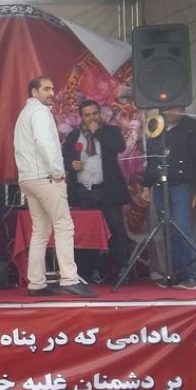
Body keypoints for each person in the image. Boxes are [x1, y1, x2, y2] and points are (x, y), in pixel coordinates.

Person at [13, 77, 95, 298]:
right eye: (46, 89)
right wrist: (58, 172)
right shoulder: (40, 112)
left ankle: (36, 283)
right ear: (34, 92)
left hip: (29, 178)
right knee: (63, 225)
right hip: (45, 177)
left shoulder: (25, 113)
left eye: (52, 88)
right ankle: (69, 279)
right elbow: (45, 143)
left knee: (40, 230)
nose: (51, 92)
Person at [139, 107, 196, 290]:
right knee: (167, 230)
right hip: (159, 185)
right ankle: (174, 274)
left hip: (180, 185)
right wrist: (146, 184)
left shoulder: (190, 127)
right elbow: (152, 158)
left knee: (181, 228)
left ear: (183, 109)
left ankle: (190, 275)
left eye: (176, 108)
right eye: (168, 109)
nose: (172, 112)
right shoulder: (157, 126)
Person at [61, 99, 131, 283]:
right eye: (87, 115)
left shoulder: (110, 131)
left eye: (94, 114)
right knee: (87, 232)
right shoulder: (74, 135)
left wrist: (98, 132)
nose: (91, 118)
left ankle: (121, 269)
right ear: (81, 117)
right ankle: (89, 271)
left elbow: (119, 147)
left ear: (99, 114)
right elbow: (65, 157)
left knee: (116, 230)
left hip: (107, 189)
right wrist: (71, 164)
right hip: (83, 190)